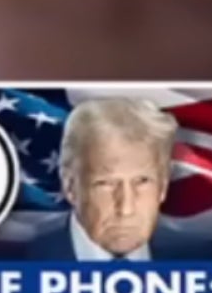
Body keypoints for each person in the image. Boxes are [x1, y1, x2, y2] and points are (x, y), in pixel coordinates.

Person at [31, 97, 177, 262]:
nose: (126, 209)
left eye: (142, 181)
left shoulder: (196, 256)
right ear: (70, 186)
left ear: (163, 185)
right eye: (106, 184)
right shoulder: (19, 259)